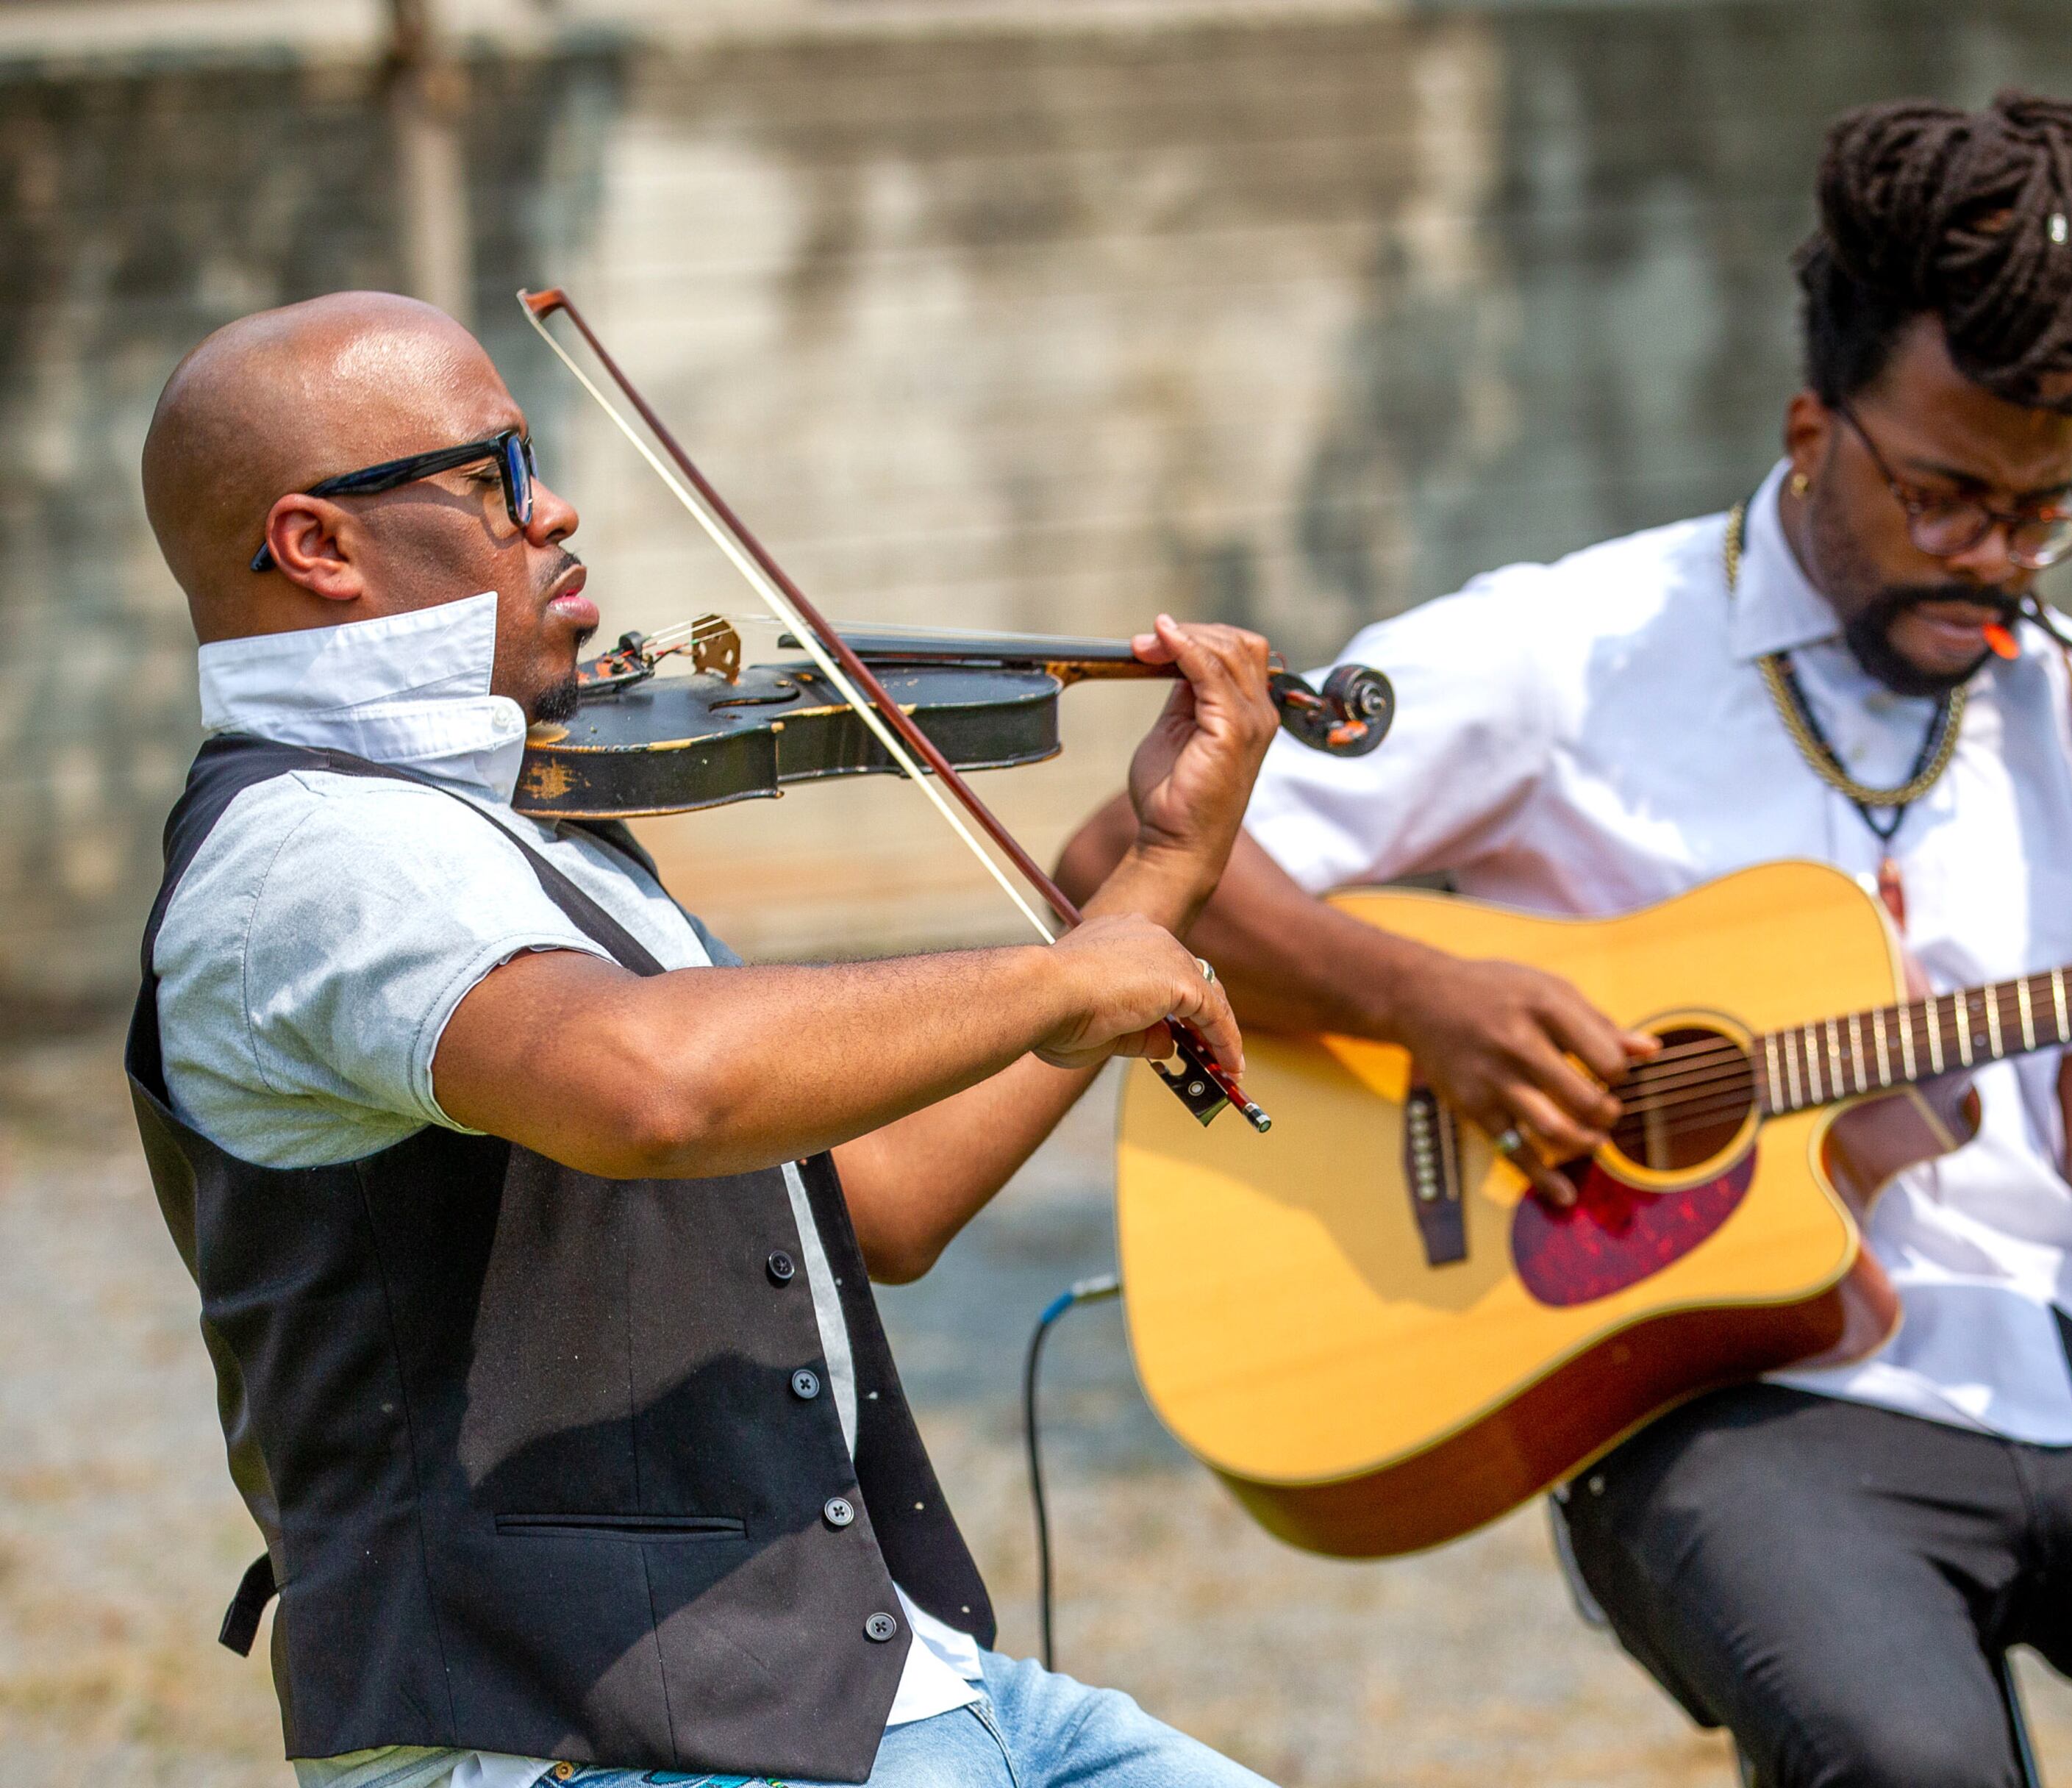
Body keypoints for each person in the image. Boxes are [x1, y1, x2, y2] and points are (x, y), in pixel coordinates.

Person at [1062, 94, 2072, 1788]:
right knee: (1910, 1764)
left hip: (2056, 1337)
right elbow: (1122, 860)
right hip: (1710, 1385)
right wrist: (1430, 999)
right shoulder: (1578, 646)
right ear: (1808, 429)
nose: (1991, 563)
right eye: (1942, 495)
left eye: (2040, 514)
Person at [131, 290, 1282, 1788]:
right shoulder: (310, 859)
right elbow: (649, 1084)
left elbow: (883, 1200)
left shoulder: (517, 829)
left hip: (866, 1691)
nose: (557, 512)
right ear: (318, 546)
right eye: (496, 474)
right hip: (580, 1739)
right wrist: (1058, 984)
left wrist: (1159, 879)